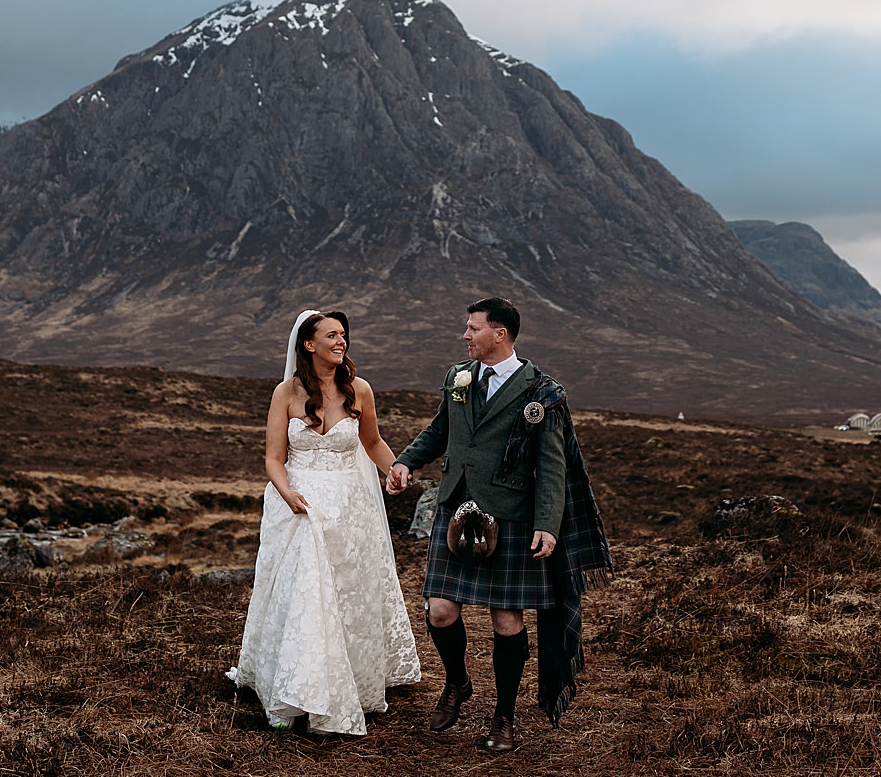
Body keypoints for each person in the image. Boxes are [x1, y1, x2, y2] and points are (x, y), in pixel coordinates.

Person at [386, 297, 612, 755]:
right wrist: (405, 462)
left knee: (506, 620)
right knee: (439, 610)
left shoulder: (542, 392)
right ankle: (458, 682)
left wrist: (547, 524)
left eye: (473, 329)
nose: (465, 336)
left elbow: (553, 466)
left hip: (510, 517)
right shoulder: (458, 377)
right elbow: (439, 430)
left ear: (499, 334)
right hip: (455, 508)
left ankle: (503, 717)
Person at [230, 309, 422, 735]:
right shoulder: (286, 393)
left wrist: (397, 470)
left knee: (347, 591)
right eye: (332, 335)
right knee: (304, 591)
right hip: (301, 504)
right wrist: (287, 493)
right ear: (308, 344)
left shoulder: (360, 390)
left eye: (344, 335)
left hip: (350, 507)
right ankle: (297, 690)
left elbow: (372, 441)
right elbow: (273, 457)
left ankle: (348, 678)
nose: (342, 342)